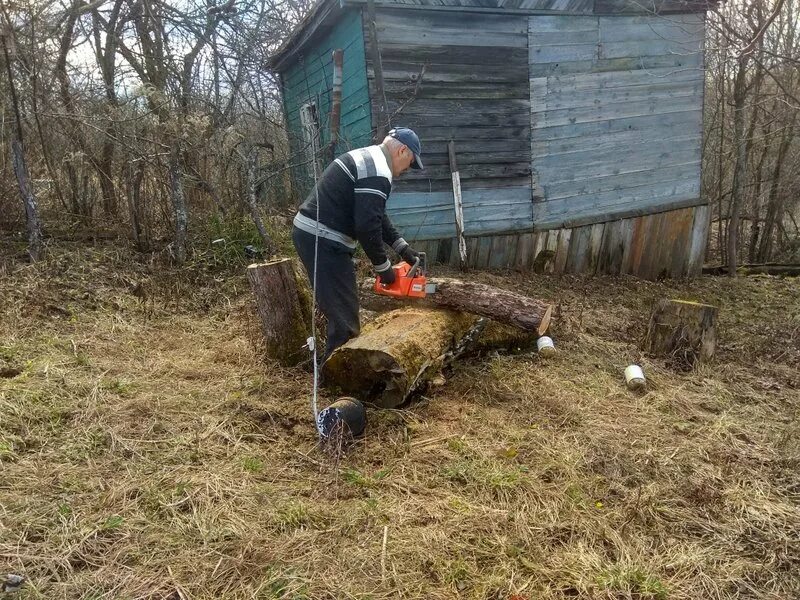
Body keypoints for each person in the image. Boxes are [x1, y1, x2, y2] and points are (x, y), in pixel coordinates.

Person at [292, 127, 424, 364]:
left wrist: (403, 248)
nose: (406, 170)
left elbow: (376, 215)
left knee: (342, 309)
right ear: (402, 150)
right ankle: (335, 378)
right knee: (345, 319)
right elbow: (366, 225)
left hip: (319, 234)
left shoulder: (372, 159)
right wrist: (384, 270)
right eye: (409, 163)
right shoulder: (378, 171)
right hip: (321, 238)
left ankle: (328, 363)